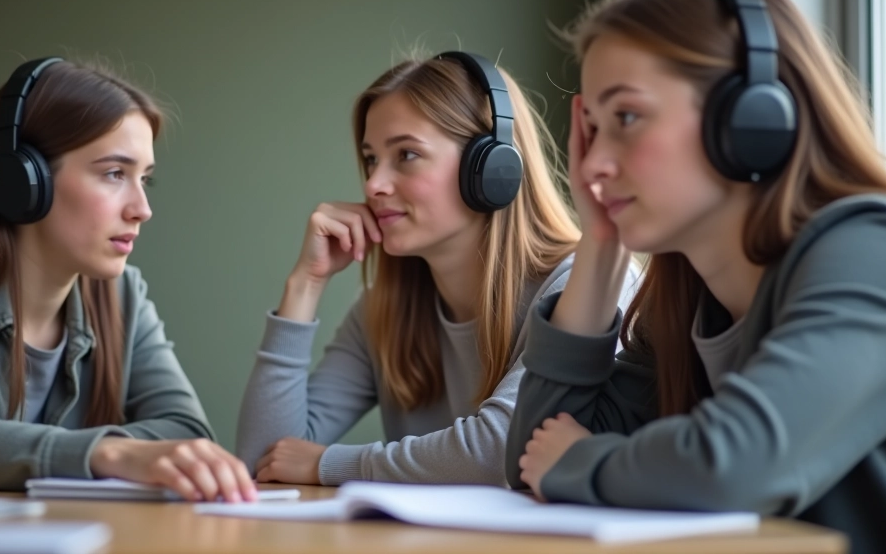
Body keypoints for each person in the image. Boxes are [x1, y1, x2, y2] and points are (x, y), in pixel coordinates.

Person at [505, 0, 886, 551]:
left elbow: (733, 467)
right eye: (591, 130)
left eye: (626, 117)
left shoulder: (875, 251)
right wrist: (599, 241)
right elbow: (531, 456)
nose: (592, 163)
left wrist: (580, 460)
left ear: (748, 119)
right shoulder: (688, 301)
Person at [237, 51, 640, 486]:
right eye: (371, 159)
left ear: (490, 168)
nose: (373, 184)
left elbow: (501, 450)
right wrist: (305, 285)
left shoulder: (585, 284)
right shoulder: (384, 309)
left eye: (406, 154)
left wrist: (328, 464)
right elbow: (264, 460)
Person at [0, 57, 256, 503]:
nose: (142, 208)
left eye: (145, 180)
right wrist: (111, 453)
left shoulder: (122, 296)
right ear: (25, 180)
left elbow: (185, 428)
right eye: (115, 173)